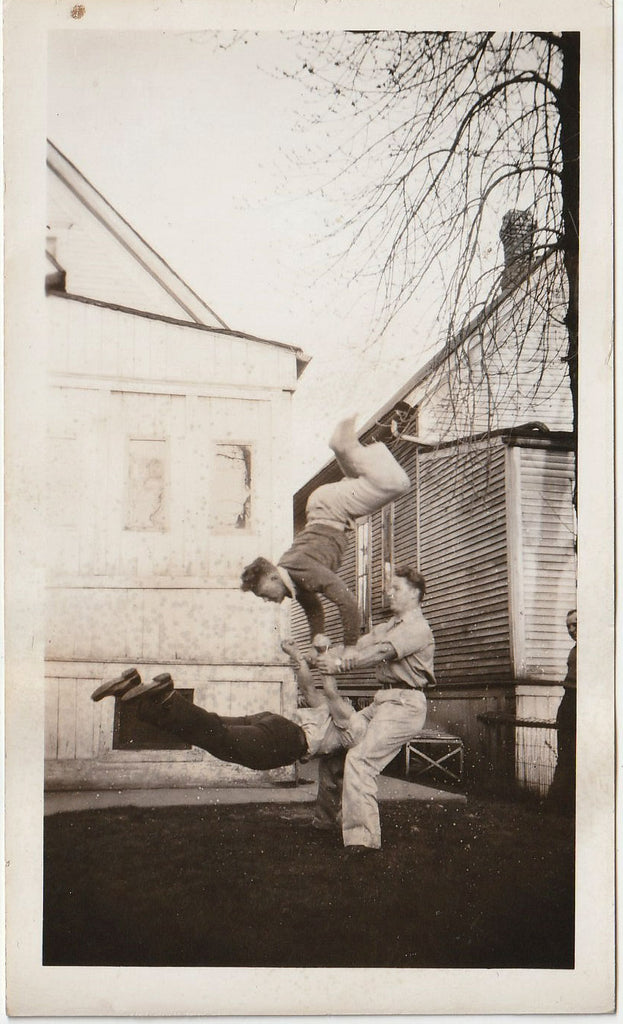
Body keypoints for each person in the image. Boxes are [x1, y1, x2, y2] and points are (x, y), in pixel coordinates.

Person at [240, 416, 410, 648]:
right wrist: (316, 640)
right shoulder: (295, 579)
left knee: (398, 484)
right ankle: (345, 448)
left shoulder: (303, 572)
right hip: (325, 507)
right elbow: (314, 611)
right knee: (365, 479)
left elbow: (347, 601)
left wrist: (351, 646)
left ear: (272, 576)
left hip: (333, 509)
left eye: (263, 593)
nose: (266, 600)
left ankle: (343, 446)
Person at [90, 639, 368, 772]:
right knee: (214, 735)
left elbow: (309, 687)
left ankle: (132, 690)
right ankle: (164, 696)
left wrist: (297, 654)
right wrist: (326, 655)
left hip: (275, 723)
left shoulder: (333, 716)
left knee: (209, 728)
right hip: (286, 742)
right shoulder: (355, 725)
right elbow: (330, 690)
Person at [315, 565, 436, 852]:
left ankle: (363, 840)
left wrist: (339, 664)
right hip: (383, 702)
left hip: (405, 705)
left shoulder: (418, 627)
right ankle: (326, 822)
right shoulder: (388, 627)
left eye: (396, 589)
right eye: (389, 588)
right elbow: (357, 646)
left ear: (415, 594)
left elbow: (380, 652)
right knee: (334, 753)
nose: (388, 593)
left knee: (360, 760)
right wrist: (322, 653)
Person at [546, 608, 577, 814]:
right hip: (569, 703)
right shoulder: (574, 651)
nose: (572, 629)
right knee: (566, 756)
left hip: (582, 703)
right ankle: (558, 805)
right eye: (568, 626)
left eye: (576, 624)